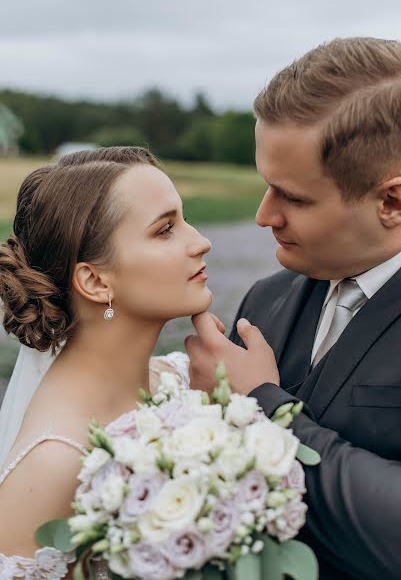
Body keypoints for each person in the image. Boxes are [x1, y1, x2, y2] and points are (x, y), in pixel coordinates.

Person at [186, 37, 401, 580]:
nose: (263, 216)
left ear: (393, 202)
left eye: (294, 198)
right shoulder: (265, 298)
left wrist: (259, 403)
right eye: (265, 186)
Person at [0, 146, 211, 579]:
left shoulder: (184, 379)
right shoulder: (53, 464)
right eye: (165, 229)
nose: (201, 241)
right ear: (95, 281)